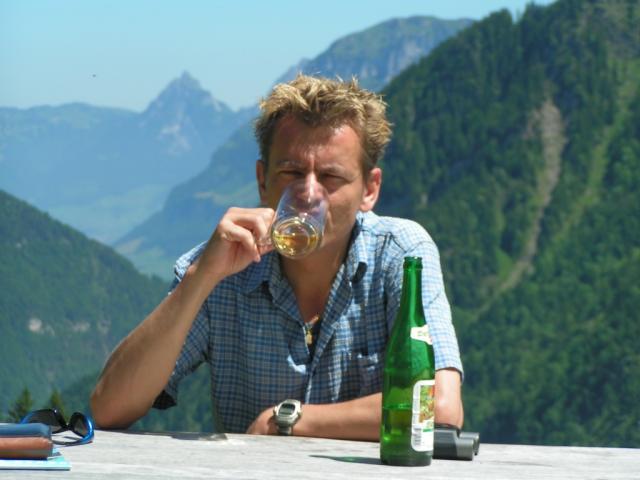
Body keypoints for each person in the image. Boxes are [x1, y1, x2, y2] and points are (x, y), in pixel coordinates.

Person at [91, 75, 464, 440]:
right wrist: (199, 278)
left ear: (369, 189)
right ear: (262, 180)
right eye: (292, 172)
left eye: (331, 177)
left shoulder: (400, 254)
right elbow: (109, 408)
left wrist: (289, 420)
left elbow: (441, 407)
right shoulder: (220, 265)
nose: (308, 193)